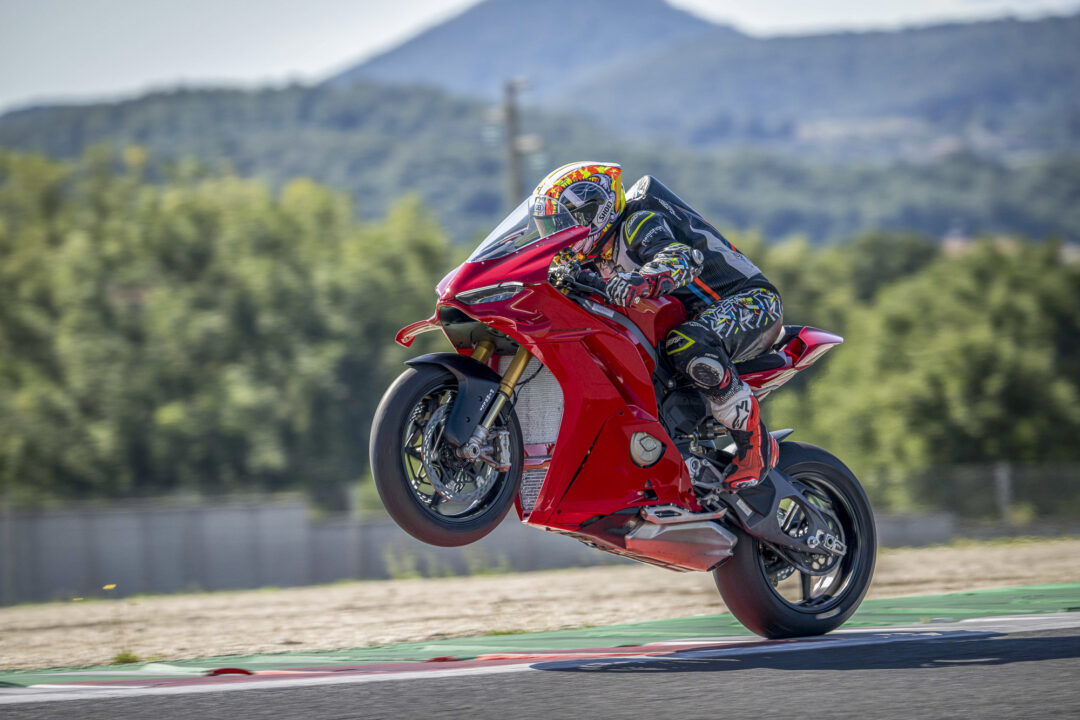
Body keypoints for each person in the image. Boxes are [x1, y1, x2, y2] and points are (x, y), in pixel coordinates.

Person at [537, 161, 783, 491]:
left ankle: (755, 445)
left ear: (595, 211)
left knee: (687, 342)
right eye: (549, 227)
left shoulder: (637, 223)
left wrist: (642, 279)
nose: (556, 235)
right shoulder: (585, 257)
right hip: (687, 316)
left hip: (750, 301)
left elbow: (682, 259)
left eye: (564, 223)